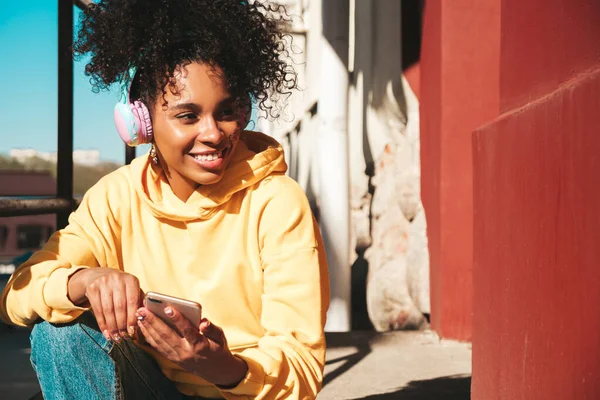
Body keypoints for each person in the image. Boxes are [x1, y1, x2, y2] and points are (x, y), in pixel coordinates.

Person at [0, 0, 329, 399]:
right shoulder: (117, 196)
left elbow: (302, 371)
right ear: (141, 124)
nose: (213, 133)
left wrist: (219, 366)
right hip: (149, 388)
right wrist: (84, 280)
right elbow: (16, 295)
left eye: (226, 112)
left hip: (240, 392)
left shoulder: (278, 202)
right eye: (188, 116)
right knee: (59, 334)